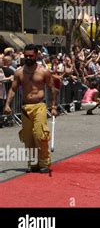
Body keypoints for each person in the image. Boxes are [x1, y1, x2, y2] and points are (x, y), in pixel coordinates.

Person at [4, 44, 58, 173]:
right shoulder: (19, 72)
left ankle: (44, 163)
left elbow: (52, 89)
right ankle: (33, 163)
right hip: (25, 107)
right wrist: (7, 104)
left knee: (40, 134)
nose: (28, 58)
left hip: (39, 106)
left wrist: (54, 106)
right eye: (26, 55)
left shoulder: (43, 71)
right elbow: (12, 89)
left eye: (31, 56)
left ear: (36, 55)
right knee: (28, 137)